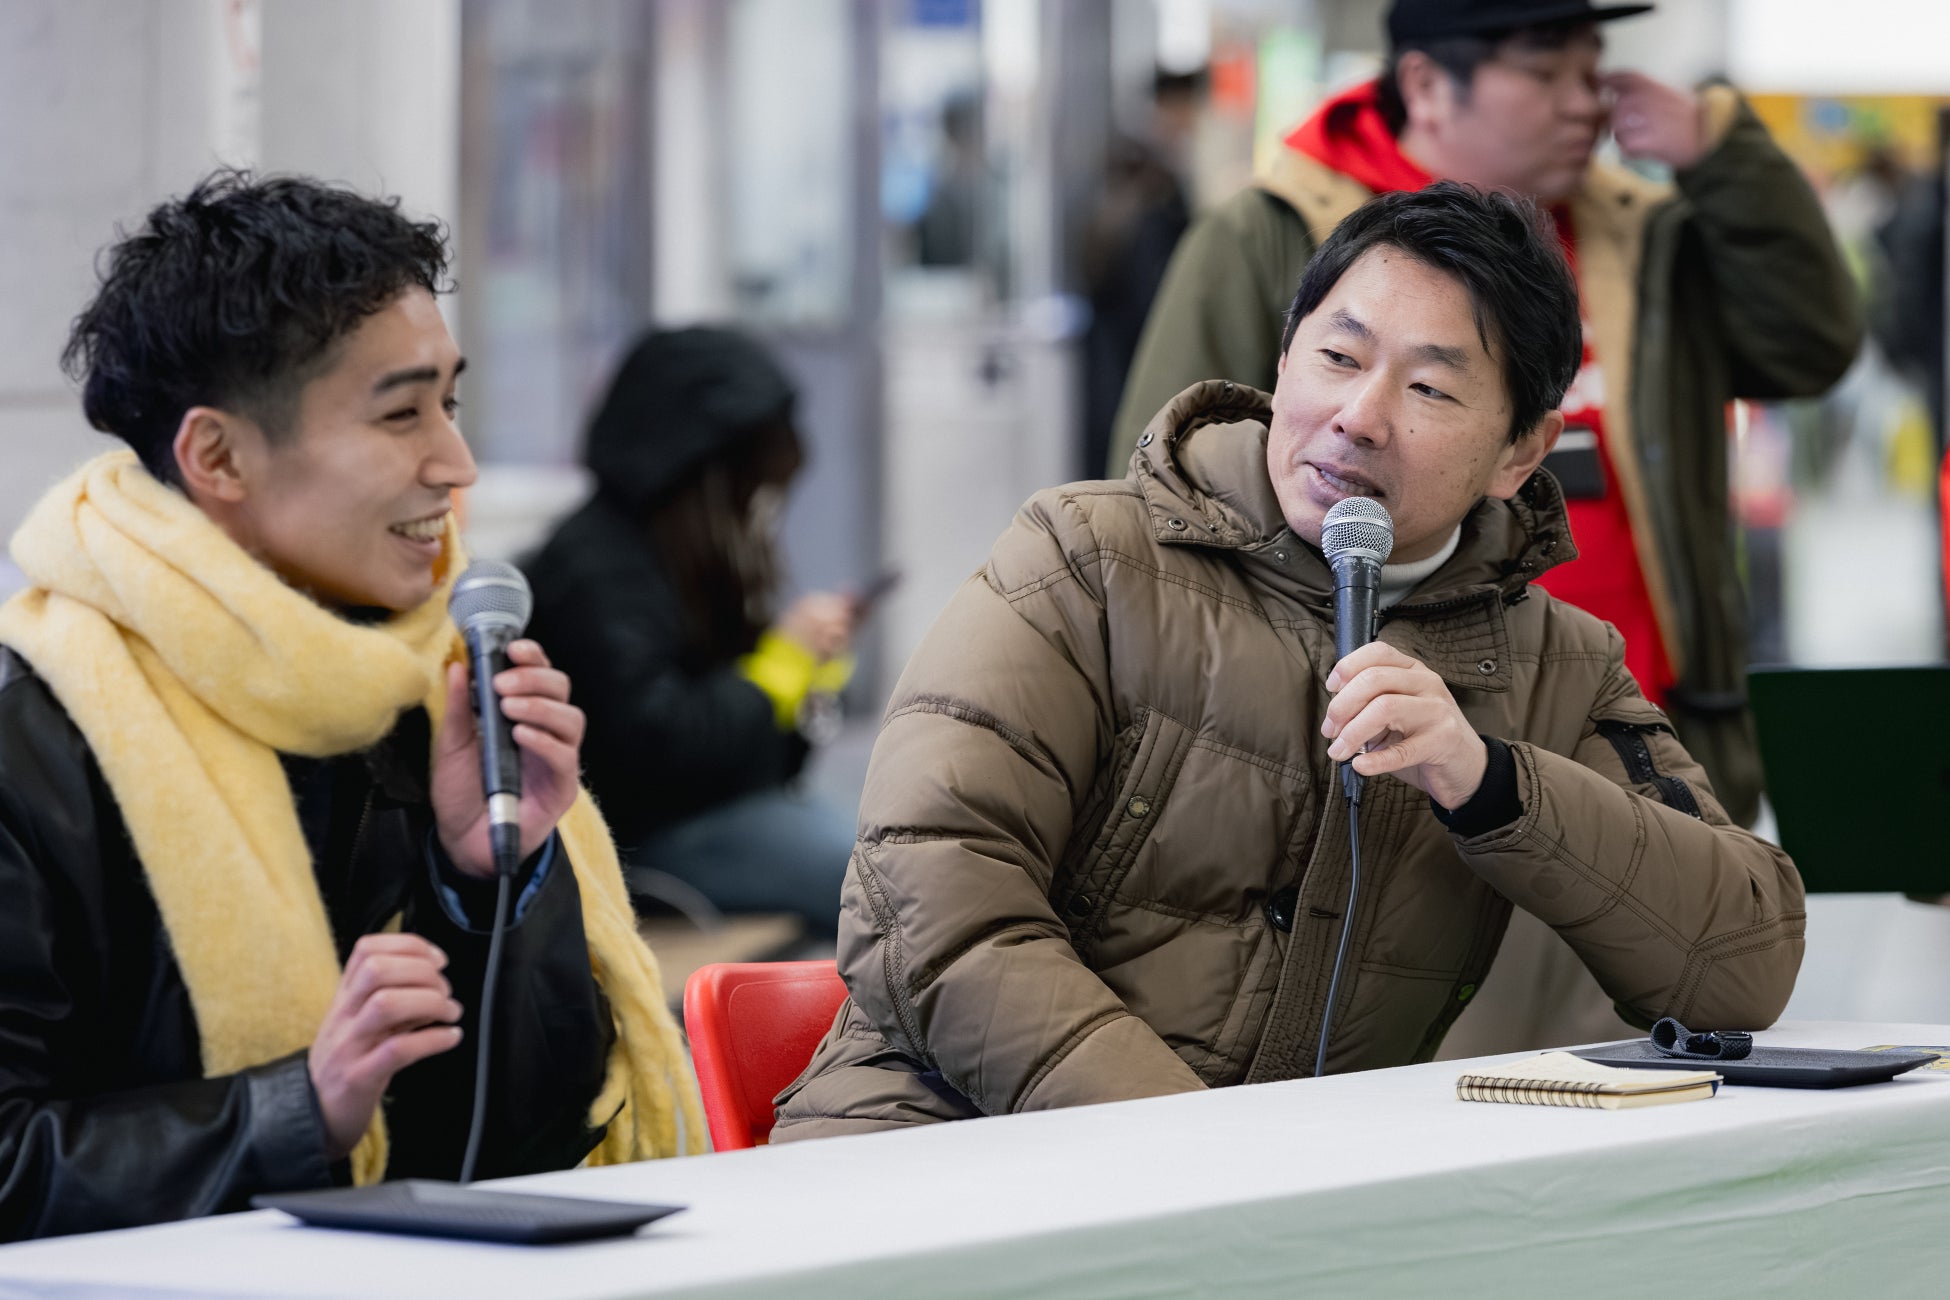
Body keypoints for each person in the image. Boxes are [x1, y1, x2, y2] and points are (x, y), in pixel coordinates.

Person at [771, 182, 1805, 1142]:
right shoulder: (1085, 560)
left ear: (1522, 453)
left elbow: (1742, 966)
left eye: (1430, 387)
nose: (1360, 416)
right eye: (1339, 357)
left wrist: (1490, 782)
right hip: (941, 1147)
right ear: (1282, 357)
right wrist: (1200, 1159)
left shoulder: (1556, 665)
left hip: (1270, 1207)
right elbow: (926, 898)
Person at [0, 172, 703, 1241]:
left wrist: (490, 881)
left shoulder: (428, 686)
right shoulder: (35, 740)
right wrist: (297, 1109)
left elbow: (524, 1143)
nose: (455, 464)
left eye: (449, 404)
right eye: (400, 414)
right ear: (218, 457)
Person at [1107, 0, 1862, 828]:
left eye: (1592, 69)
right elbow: (1171, 486)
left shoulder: (1641, 235)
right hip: (1376, 764)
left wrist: (1726, 159)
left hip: (1639, 745)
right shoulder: (1275, 233)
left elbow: (1808, 349)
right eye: (1545, 72)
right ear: (1428, 85)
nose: (1588, 102)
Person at [523, 328, 860, 939]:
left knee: (903, 861)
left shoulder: (671, 552)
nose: (755, 510)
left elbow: (757, 760)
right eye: (747, 485)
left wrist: (806, 683)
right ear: (697, 468)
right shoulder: (597, 566)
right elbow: (657, 751)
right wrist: (780, 668)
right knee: (884, 889)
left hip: (723, 811)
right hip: (652, 838)